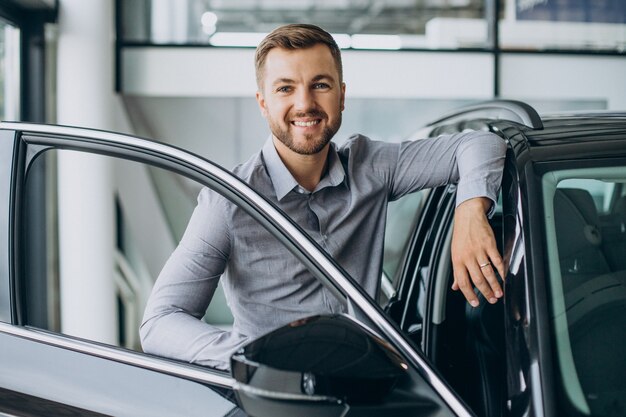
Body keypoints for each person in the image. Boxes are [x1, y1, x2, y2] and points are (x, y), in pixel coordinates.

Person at [140, 23, 507, 370]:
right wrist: (252, 359)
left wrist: (471, 212)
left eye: (320, 85)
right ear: (263, 102)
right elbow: (160, 322)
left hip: (367, 386)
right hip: (275, 398)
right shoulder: (228, 202)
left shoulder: (372, 166)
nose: (305, 104)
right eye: (285, 88)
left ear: (341, 96)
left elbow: (482, 143)